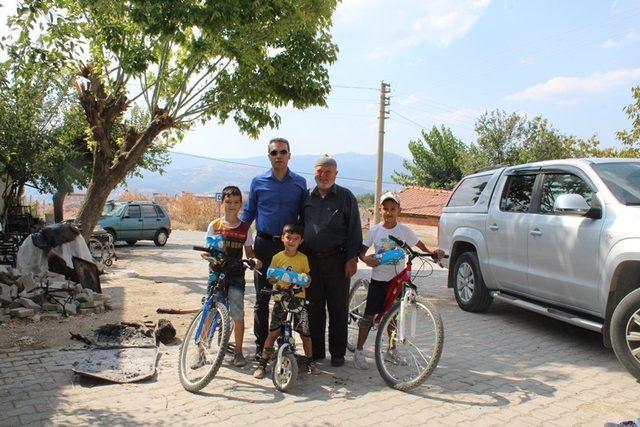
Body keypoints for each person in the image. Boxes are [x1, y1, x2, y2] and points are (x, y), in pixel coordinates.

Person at [352, 191, 443, 370]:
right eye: (385, 209)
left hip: (397, 280)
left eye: (393, 209)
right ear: (380, 210)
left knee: (393, 317)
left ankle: (391, 350)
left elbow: (421, 246)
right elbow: (361, 251)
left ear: (399, 210)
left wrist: (434, 251)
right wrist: (365, 259)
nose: (389, 212)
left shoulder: (404, 231)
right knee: (369, 316)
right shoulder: (374, 231)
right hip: (379, 279)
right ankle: (359, 350)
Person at [241, 137, 307, 360]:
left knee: (288, 296)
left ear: (290, 155)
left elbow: (303, 217)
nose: (278, 156)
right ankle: (261, 348)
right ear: (268, 156)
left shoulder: (299, 183)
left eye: (282, 152)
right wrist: (236, 238)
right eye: (274, 153)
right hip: (264, 245)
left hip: (289, 249)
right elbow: (248, 215)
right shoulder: (258, 181)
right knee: (262, 298)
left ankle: (284, 344)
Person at [301, 155, 362, 367]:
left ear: (336, 173)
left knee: (338, 309)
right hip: (311, 262)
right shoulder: (306, 197)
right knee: (313, 308)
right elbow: (298, 227)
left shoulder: (346, 197)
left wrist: (351, 259)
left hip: (338, 261)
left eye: (328, 172)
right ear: (314, 173)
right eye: (319, 171)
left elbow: (354, 230)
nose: (323, 175)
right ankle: (316, 353)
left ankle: (337, 354)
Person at [203, 185, 262, 368]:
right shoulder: (215, 225)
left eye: (236, 202)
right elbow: (207, 250)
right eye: (228, 202)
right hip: (216, 273)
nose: (232, 205)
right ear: (222, 202)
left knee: (237, 313)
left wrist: (255, 260)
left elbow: (250, 252)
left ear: (241, 205)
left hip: (236, 274)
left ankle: (238, 352)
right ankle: (202, 349)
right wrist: (206, 255)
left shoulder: (245, 228)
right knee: (210, 311)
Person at [253, 224, 320, 378]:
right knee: (273, 332)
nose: (291, 241)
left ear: (301, 241)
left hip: (298, 301)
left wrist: (306, 280)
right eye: (288, 238)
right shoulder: (277, 257)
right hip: (280, 299)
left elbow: (307, 279)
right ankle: (262, 363)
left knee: (305, 334)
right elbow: (270, 278)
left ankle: (310, 362)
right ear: (282, 238)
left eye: (295, 239)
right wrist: (273, 278)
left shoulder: (303, 259)